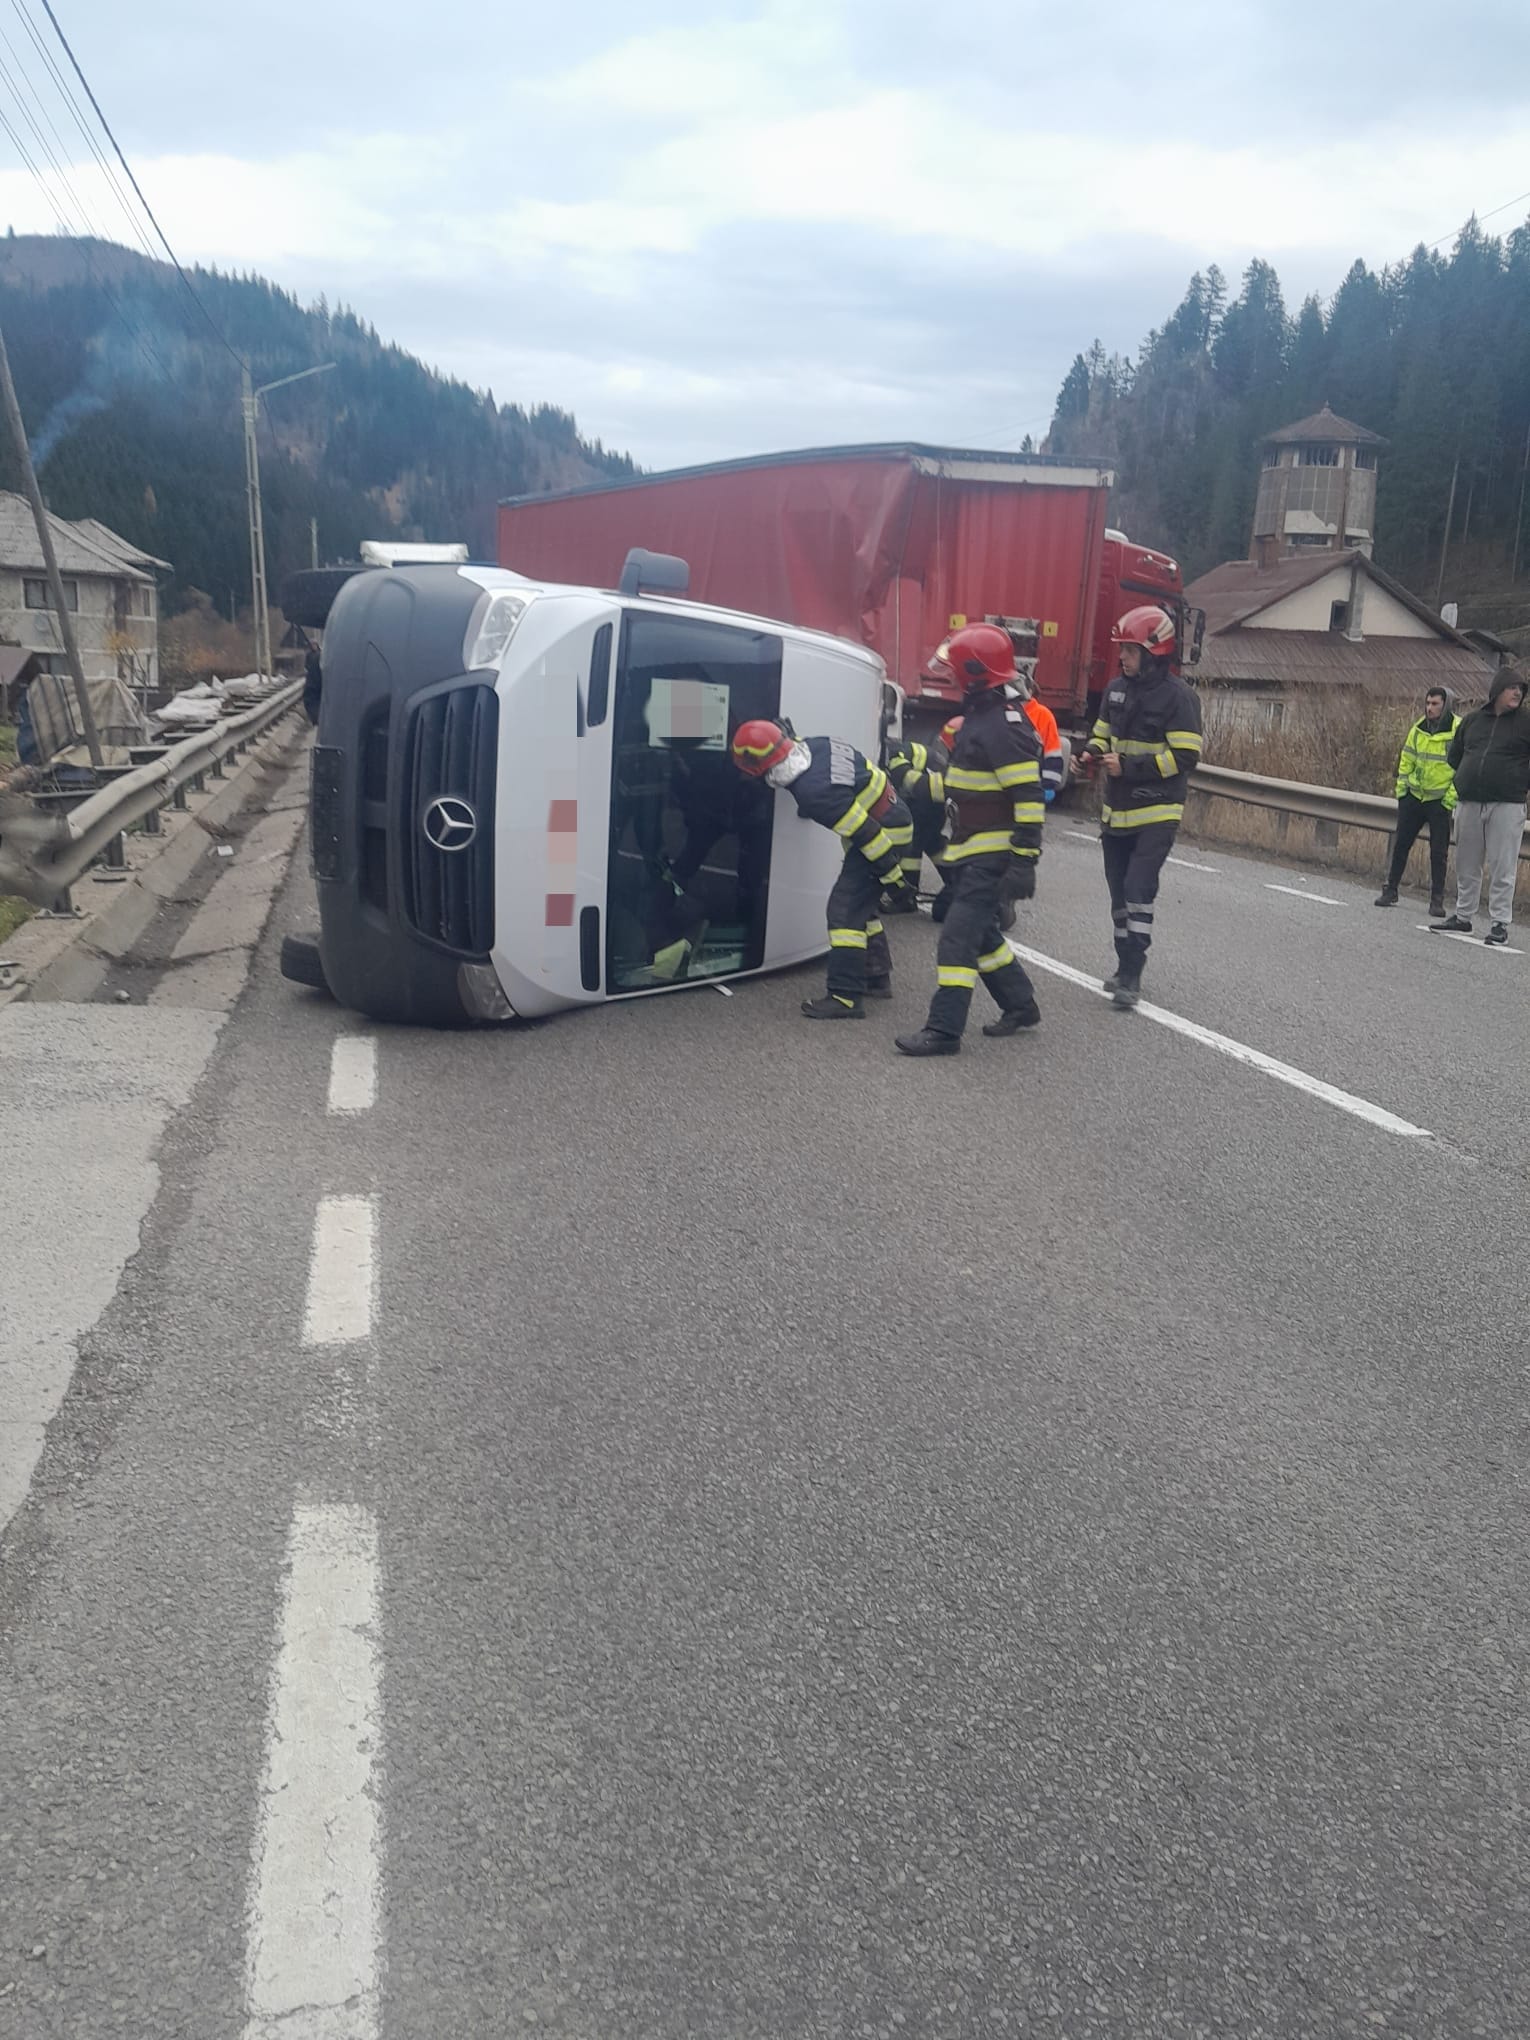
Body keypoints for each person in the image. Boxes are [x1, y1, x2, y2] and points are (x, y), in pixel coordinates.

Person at [895, 623, 1045, 1058]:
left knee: (957, 938)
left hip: (990, 854)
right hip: (969, 847)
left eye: (956, 669)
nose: (951, 676)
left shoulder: (1003, 724)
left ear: (975, 673)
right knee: (981, 935)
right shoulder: (984, 716)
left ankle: (943, 1032)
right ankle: (1021, 1005)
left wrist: (1024, 861)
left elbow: (1028, 796)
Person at [730, 719, 912, 1017]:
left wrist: (896, 882)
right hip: (892, 813)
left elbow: (868, 835)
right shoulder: (816, 744)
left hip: (884, 833)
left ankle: (845, 997)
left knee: (843, 912)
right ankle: (876, 975)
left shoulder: (815, 794)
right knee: (860, 905)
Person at [1078, 605, 1203, 1009]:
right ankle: (1122, 965)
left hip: (1157, 812)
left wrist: (1130, 767)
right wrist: (1090, 753)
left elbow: (1184, 757)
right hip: (1116, 813)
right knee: (1118, 896)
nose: (1123, 658)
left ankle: (1133, 972)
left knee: (1137, 890)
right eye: (1123, 651)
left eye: (1130, 651)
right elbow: (1102, 733)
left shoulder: (1179, 699)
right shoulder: (1115, 689)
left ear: (1153, 652)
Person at [1434, 665, 1530, 945]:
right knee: (1466, 861)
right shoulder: (1473, 721)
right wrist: (1467, 778)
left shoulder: (1525, 722)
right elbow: (1456, 756)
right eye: (1513, 687)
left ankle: (1499, 923)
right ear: (1497, 689)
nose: (1517, 693)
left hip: (1507, 803)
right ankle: (1463, 916)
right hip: (1470, 800)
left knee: (1502, 864)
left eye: (1521, 689)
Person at [1374, 687, 1458, 916]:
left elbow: (1462, 767)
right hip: (1413, 796)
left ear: (1446, 705)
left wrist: (1449, 799)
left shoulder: (1457, 730)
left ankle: (1436, 900)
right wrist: (1402, 791)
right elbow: (1407, 758)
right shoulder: (1419, 728)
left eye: (1435, 704)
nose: (1429, 708)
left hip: (1439, 800)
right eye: (1427, 703)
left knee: (1438, 852)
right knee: (1401, 844)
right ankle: (1390, 889)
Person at [881, 725, 948, 909]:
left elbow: (909, 782)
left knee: (911, 842)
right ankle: (957, 881)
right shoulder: (893, 752)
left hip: (929, 796)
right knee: (932, 842)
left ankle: (906, 899)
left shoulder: (893, 758)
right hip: (934, 796)